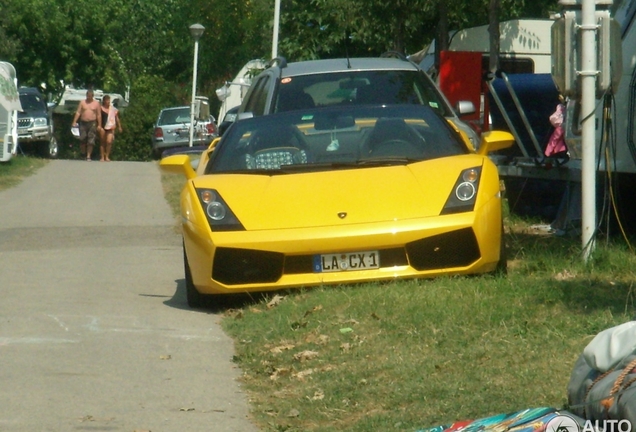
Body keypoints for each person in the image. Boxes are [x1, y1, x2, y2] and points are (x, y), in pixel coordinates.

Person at [72, 89, 101, 161]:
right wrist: (74, 121)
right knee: (82, 138)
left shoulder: (96, 103)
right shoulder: (82, 102)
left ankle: (88, 156)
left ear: (92, 96)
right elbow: (78, 112)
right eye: (88, 96)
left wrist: (99, 125)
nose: (89, 97)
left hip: (92, 123)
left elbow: (98, 115)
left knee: (91, 139)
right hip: (83, 122)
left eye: (90, 96)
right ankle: (83, 153)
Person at [98, 95, 122, 162]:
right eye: (107, 100)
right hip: (103, 127)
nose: (108, 102)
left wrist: (119, 126)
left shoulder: (113, 109)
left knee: (109, 141)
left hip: (110, 127)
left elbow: (116, 118)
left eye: (109, 100)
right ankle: (102, 156)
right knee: (102, 142)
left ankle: (107, 156)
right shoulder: (100, 108)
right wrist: (98, 126)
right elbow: (98, 117)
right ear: (104, 101)